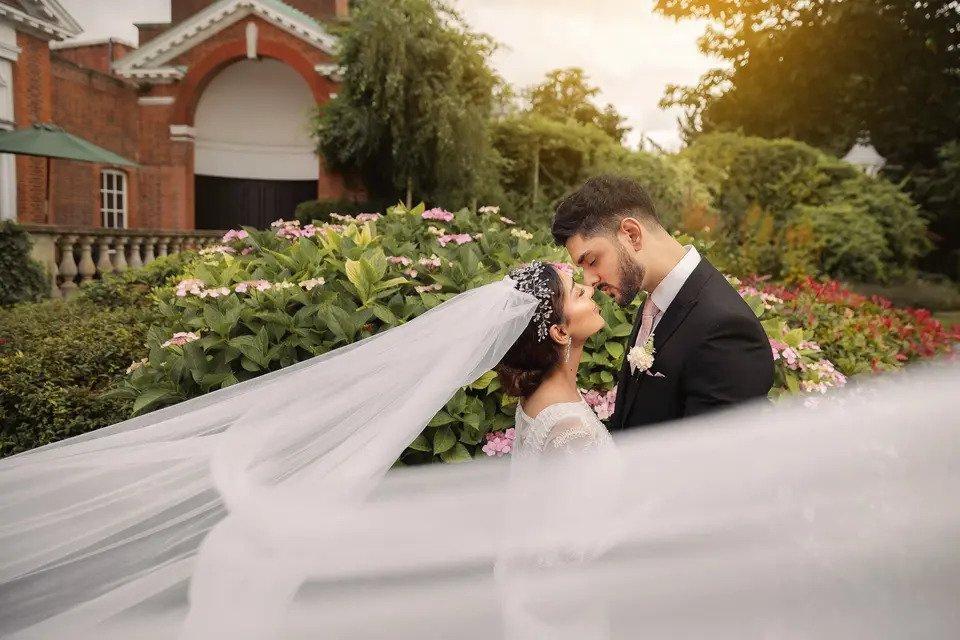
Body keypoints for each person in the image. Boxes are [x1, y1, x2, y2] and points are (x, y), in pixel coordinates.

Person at [552, 175, 774, 430]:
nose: (589, 280)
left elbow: (712, 461)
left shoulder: (726, 329)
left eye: (592, 261)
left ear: (632, 234)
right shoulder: (655, 302)